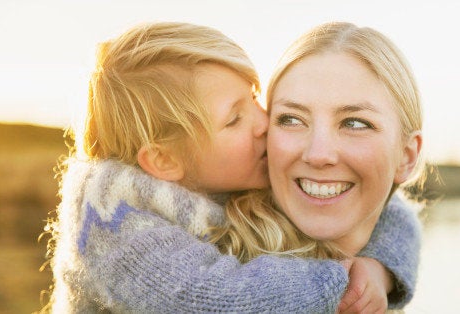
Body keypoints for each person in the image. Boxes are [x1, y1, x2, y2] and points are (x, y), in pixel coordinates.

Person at [45, 22, 421, 313]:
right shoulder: (110, 219)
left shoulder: (234, 173)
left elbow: (393, 208)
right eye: (234, 119)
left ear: (407, 155)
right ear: (164, 160)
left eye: (256, 99)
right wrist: (342, 283)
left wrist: (380, 269)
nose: (264, 122)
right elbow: (211, 299)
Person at [264, 21, 425, 311]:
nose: (318, 154)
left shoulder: (383, 281)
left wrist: (382, 270)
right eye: (291, 119)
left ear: (407, 157)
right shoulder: (199, 243)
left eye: (355, 123)